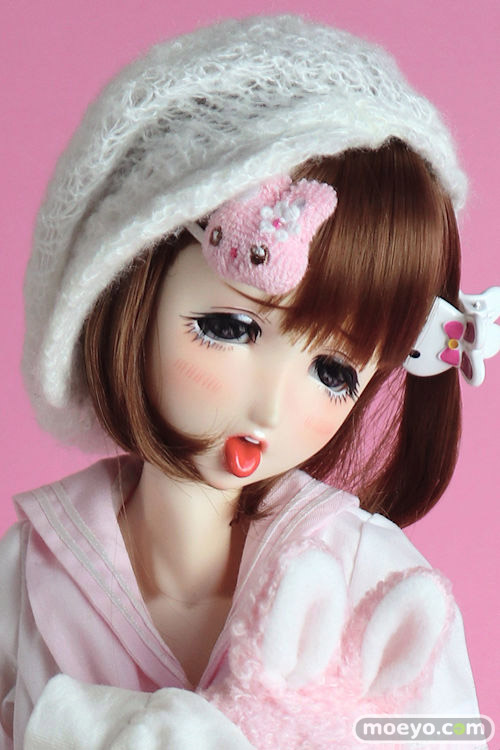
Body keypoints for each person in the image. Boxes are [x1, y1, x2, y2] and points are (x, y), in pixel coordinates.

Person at [1, 14, 498, 750]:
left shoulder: (370, 577)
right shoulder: (28, 575)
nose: (268, 407)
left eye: (333, 371)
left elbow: (456, 730)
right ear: (132, 286)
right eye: (230, 328)